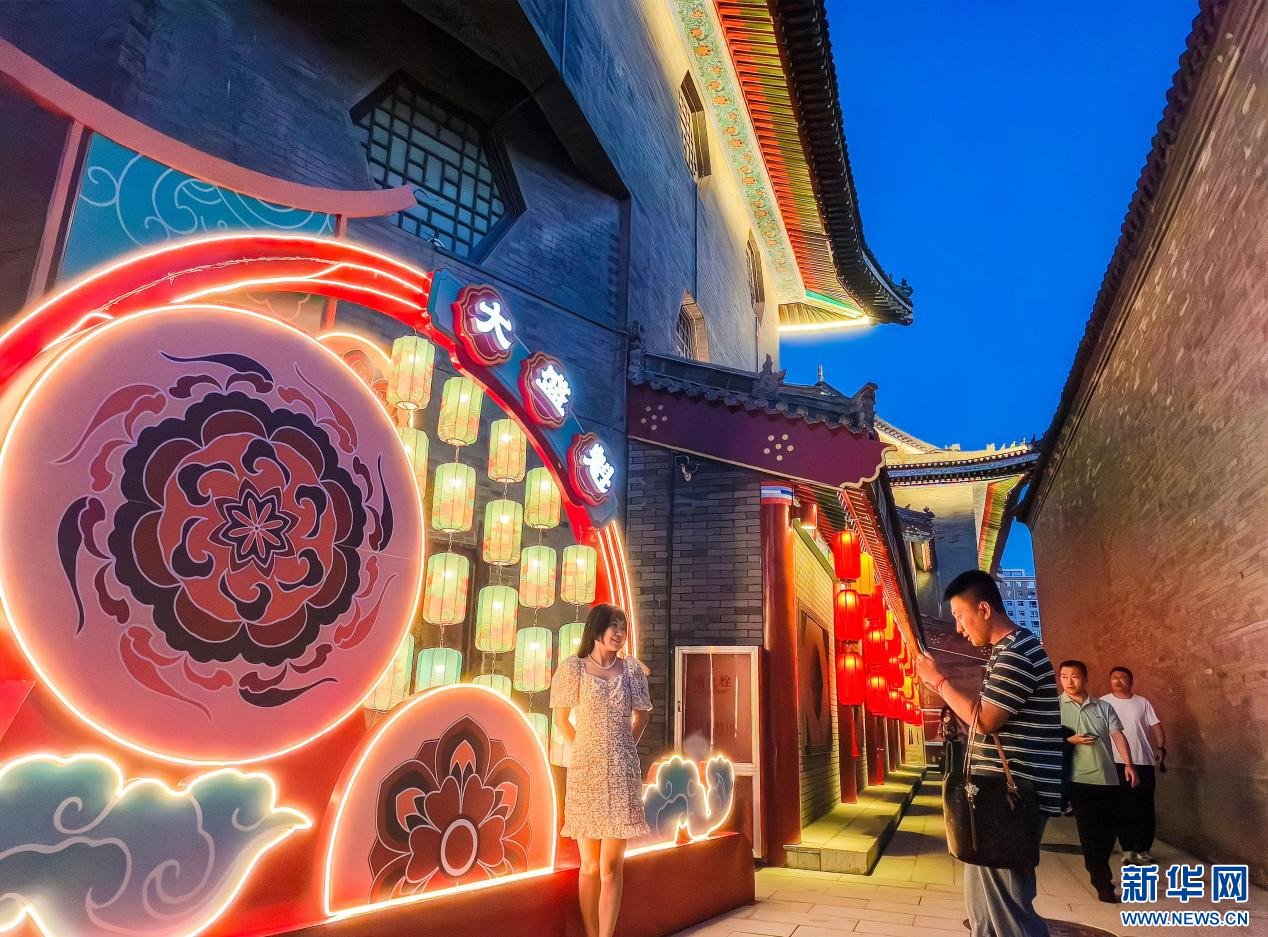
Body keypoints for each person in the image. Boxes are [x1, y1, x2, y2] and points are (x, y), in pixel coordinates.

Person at [916, 570, 1062, 937]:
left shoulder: (1017, 652)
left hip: (1009, 800)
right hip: (996, 799)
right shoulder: (1005, 652)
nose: (959, 628)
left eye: (960, 616)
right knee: (983, 908)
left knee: (1006, 910)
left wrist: (938, 682)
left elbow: (984, 720)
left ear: (983, 609)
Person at [550, 604, 652, 937]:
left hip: (622, 772)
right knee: (590, 866)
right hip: (585, 773)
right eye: (613, 626)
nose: (619, 633)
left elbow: (643, 715)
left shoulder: (632, 670)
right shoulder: (573, 668)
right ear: (596, 629)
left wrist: (624, 746)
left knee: (610, 866)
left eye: (622, 627)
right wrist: (583, 748)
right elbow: (561, 720)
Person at [1058, 660, 1138, 903]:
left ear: (1085, 678)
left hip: (1107, 777)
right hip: (1078, 779)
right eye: (1064, 676)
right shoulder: (1054, 707)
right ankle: (1102, 883)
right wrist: (1070, 740)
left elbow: (1117, 735)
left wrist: (1129, 764)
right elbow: (1046, 738)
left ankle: (1099, 866)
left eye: (1074, 676)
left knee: (1109, 831)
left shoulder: (1103, 707)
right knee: (1090, 833)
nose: (1069, 681)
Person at [1100, 666, 1164, 863]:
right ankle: (1127, 849)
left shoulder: (1142, 703)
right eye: (1114, 677)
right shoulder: (1103, 703)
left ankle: (1143, 849)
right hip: (1115, 763)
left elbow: (1155, 726)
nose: (1118, 680)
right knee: (1121, 806)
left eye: (1123, 677)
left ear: (1131, 681)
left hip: (1142, 762)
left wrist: (1161, 747)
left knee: (1145, 806)